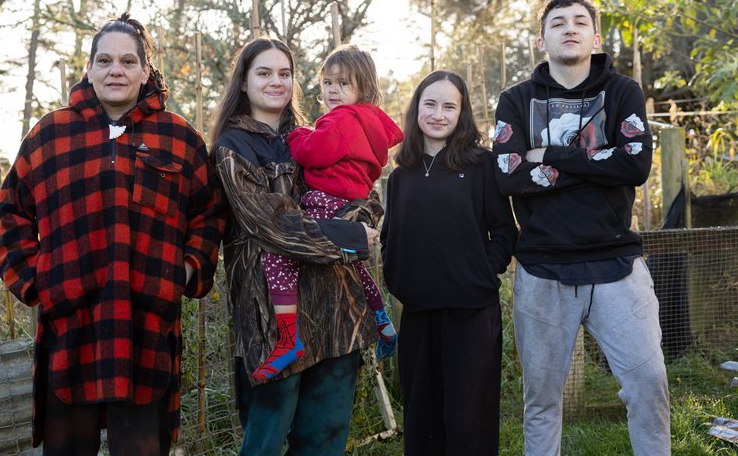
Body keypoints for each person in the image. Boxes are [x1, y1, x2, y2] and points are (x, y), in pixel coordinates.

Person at [0, 13, 226, 455]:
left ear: (144, 70)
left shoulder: (180, 139)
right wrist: (38, 279)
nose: (115, 70)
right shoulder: (50, 134)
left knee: (141, 448)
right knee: (66, 449)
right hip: (71, 325)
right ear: (89, 68)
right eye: (104, 60)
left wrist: (188, 269)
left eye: (126, 60)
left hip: (147, 324)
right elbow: (10, 215)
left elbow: (210, 215)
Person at [492, 0, 670, 456]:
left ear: (594, 36)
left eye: (578, 21)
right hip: (543, 269)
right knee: (542, 401)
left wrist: (550, 155)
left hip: (617, 264)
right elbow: (508, 175)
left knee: (648, 384)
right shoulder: (516, 100)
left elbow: (635, 166)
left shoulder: (623, 92)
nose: (568, 28)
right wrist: (595, 163)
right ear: (540, 40)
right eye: (557, 23)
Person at [209, 37, 381, 454]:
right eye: (264, 73)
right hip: (272, 322)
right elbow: (274, 226)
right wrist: (352, 239)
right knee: (264, 441)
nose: (276, 82)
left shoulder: (320, 135)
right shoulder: (232, 148)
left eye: (284, 73)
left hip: (338, 314)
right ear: (244, 82)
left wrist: (359, 226)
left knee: (324, 440)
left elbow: (367, 201)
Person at [381, 70, 518, 455]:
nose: (438, 114)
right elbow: (391, 235)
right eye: (430, 104)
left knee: (466, 421)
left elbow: (505, 230)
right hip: (419, 313)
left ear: (462, 113)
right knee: (421, 418)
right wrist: (397, 275)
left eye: (449, 106)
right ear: (416, 109)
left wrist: (481, 270)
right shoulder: (401, 174)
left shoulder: (480, 165)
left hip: (471, 312)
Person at [253, 44, 402, 382]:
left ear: (363, 88)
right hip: (350, 201)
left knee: (278, 256)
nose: (333, 90)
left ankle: (288, 339)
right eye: (327, 83)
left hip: (326, 199)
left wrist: (297, 136)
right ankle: (381, 318)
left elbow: (313, 152)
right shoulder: (369, 122)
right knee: (352, 262)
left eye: (343, 84)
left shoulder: (341, 119)